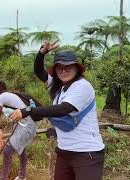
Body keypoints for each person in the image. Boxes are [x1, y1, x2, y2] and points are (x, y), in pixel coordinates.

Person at [10, 41, 105, 180]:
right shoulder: (58, 86)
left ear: (76, 68)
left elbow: (64, 109)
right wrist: (41, 53)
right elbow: (38, 71)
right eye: (59, 68)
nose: (63, 71)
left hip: (87, 153)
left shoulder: (82, 86)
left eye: (68, 67)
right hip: (64, 151)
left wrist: (28, 110)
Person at [0, 78, 37, 180]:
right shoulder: (10, 95)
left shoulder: (2, 97)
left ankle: (3, 178)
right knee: (21, 149)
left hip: (25, 125)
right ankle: (22, 176)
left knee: (7, 150)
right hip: (28, 124)